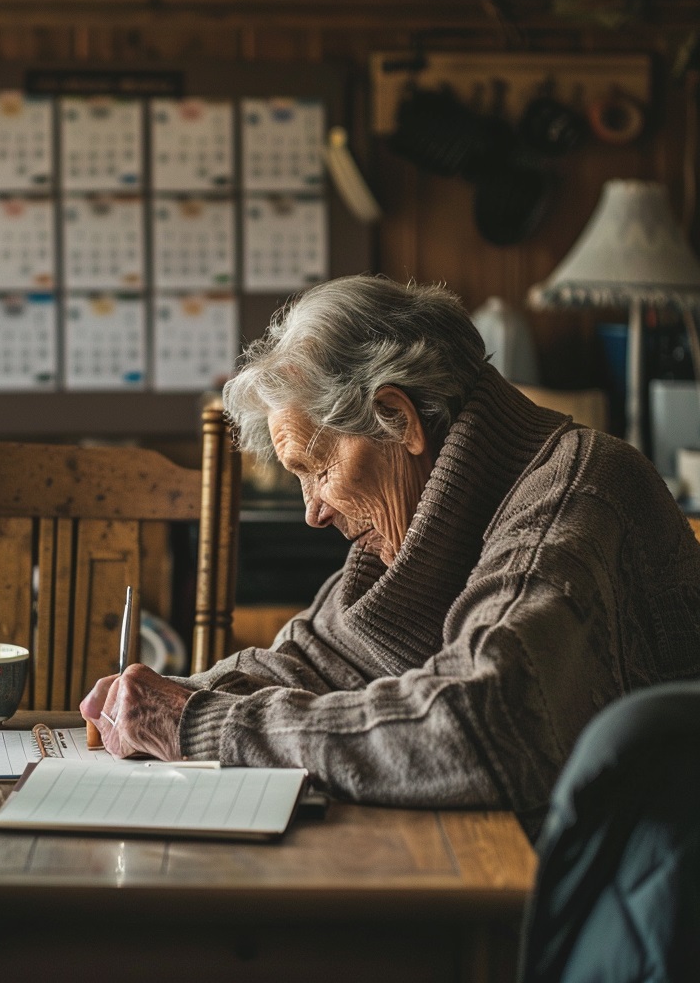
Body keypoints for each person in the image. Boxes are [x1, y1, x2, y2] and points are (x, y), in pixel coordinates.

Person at [80, 274, 700, 838]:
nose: (312, 511)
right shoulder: (440, 515)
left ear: (399, 419)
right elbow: (315, 659)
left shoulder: (571, 495)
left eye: (318, 468)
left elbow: (478, 727)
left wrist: (201, 724)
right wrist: (163, 698)